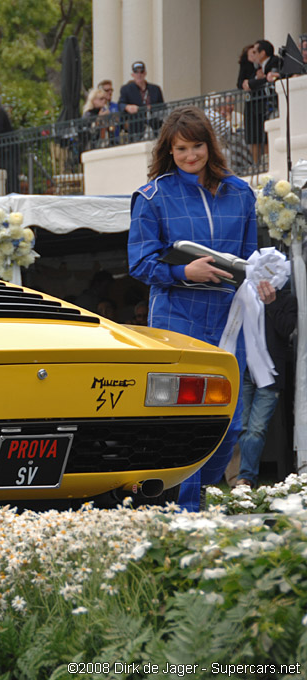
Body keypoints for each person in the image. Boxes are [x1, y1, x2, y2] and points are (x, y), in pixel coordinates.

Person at [128, 106, 269, 511]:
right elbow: (140, 263)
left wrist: (262, 280)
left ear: (210, 145)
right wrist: (184, 271)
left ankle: (198, 489)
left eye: (198, 146)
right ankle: (186, 512)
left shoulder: (240, 192)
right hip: (176, 315)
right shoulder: (152, 197)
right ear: (169, 152)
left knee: (231, 422)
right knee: (185, 422)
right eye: (182, 148)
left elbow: (248, 257)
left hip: (229, 317)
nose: (191, 156)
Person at [233, 284, 297, 487]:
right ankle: (244, 477)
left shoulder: (287, 300)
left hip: (271, 373)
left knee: (257, 428)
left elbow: (287, 330)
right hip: (244, 370)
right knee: (242, 427)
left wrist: (271, 304)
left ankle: (246, 477)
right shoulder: (243, 295)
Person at [242, 39, 281, 167]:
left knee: (267, 136)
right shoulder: (258, 68)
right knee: (255, 137)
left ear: (263, 53)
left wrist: (255, 82)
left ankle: (268, 164)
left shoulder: (275, 61)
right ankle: (258, 165)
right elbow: (246, 83)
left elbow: (269, 80)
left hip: (270, 105)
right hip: (257, 107)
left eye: (255, 51)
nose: (253, 55)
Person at [118, 61, 164, 139]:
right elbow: (120, 104)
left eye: (141, 72)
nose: (139, 75)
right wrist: (127, 107)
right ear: (132, 75)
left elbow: (162, 106)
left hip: (155, 126)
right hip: (137, 128)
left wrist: (152, 108)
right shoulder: (126, 89)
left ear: (145, 73)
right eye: (136, 72)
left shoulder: (155, 89)